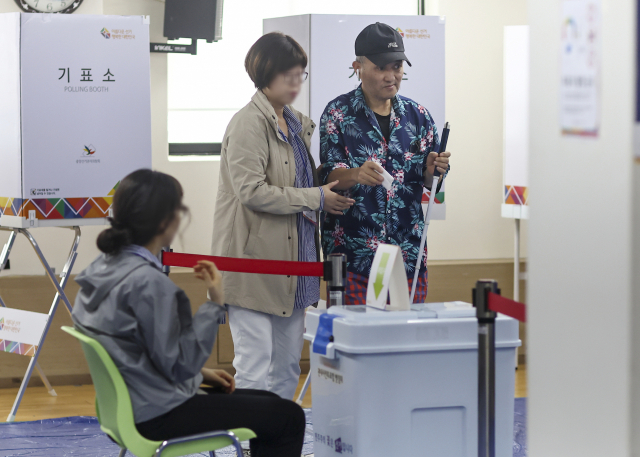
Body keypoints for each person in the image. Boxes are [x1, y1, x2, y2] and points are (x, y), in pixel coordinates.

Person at [72, 169, 306, 457]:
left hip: (128, 408)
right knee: (287, 416)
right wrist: (214, 302)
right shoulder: (149, 284)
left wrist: (202, 373)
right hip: (159, 413)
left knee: (269, 403)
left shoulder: (97, 272)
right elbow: (180, 366)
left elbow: (140, 349)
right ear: (166, 222)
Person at [212, 32, 354, 400]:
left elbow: (301, 185)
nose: (296, 83)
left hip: (295, 266)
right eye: (288, 75)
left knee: (288, 368)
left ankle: (273, 444)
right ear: (265, 74)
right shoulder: (248, 124)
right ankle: (252, 444)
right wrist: (316, 197)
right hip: (255, 266)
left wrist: (333, 188)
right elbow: (252, 191)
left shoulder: (294, 123)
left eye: (300, 75)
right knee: (255, 367)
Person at [319, 22, 452, 304]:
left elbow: (432, 184)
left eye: (397, 67)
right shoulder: (338, 113)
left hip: (407, 256)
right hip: (354, 257)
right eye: (381, 68)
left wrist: (432, 172)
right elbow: (329, 175)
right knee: (353, 344)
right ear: (358, 67)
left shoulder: (419, 116)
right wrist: (355, 174)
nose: (391, 76)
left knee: (405, 345)